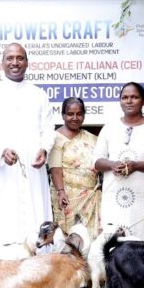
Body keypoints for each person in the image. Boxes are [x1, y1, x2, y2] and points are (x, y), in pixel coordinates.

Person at [0, 43, 54, 245]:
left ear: (27, 63)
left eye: (20, 58)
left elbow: (48, 128)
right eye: (10, 58)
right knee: (2, 222)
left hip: (32, 168)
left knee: (35, 220)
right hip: (0, 170)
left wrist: (44, 149)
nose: (15, 62)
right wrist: (0, 151)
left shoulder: (39, 95)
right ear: (2, 64)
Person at [93, 82, 144, 242]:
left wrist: (136, 165)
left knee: (141, 249)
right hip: (113, 201)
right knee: (112, 247)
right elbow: (96, 161)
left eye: (134, 97)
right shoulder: (109, 127)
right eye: (125, 97)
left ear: (143, 101)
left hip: (142, 202)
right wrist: (112, 165)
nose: (129, 101)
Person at [48, 97, 100, 233]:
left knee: (89, 236)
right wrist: (61, 192)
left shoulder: (92, 139)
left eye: (79, 114)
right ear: (63, 115)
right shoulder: (55, 138)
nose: (75, 118)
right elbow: (55, 169)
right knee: (67, 236)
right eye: (70, 114)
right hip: (66, 197)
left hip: (90, 197)